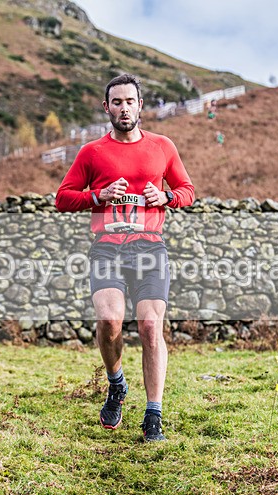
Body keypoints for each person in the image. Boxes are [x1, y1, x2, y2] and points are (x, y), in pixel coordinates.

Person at [55, 74, 195, 442]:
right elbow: (63, 197)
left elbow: (187, 190)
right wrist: (98, 196)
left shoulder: (163, 146)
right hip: (108, 248)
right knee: (109, 320)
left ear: (140, 106)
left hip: (149, 247)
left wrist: (166, 198)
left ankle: (153, 416)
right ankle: (116, 384)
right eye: (116, 102)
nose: (123, 108)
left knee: (150, 326)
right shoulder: (92, 152)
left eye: (129, 101)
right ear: (107, 108)